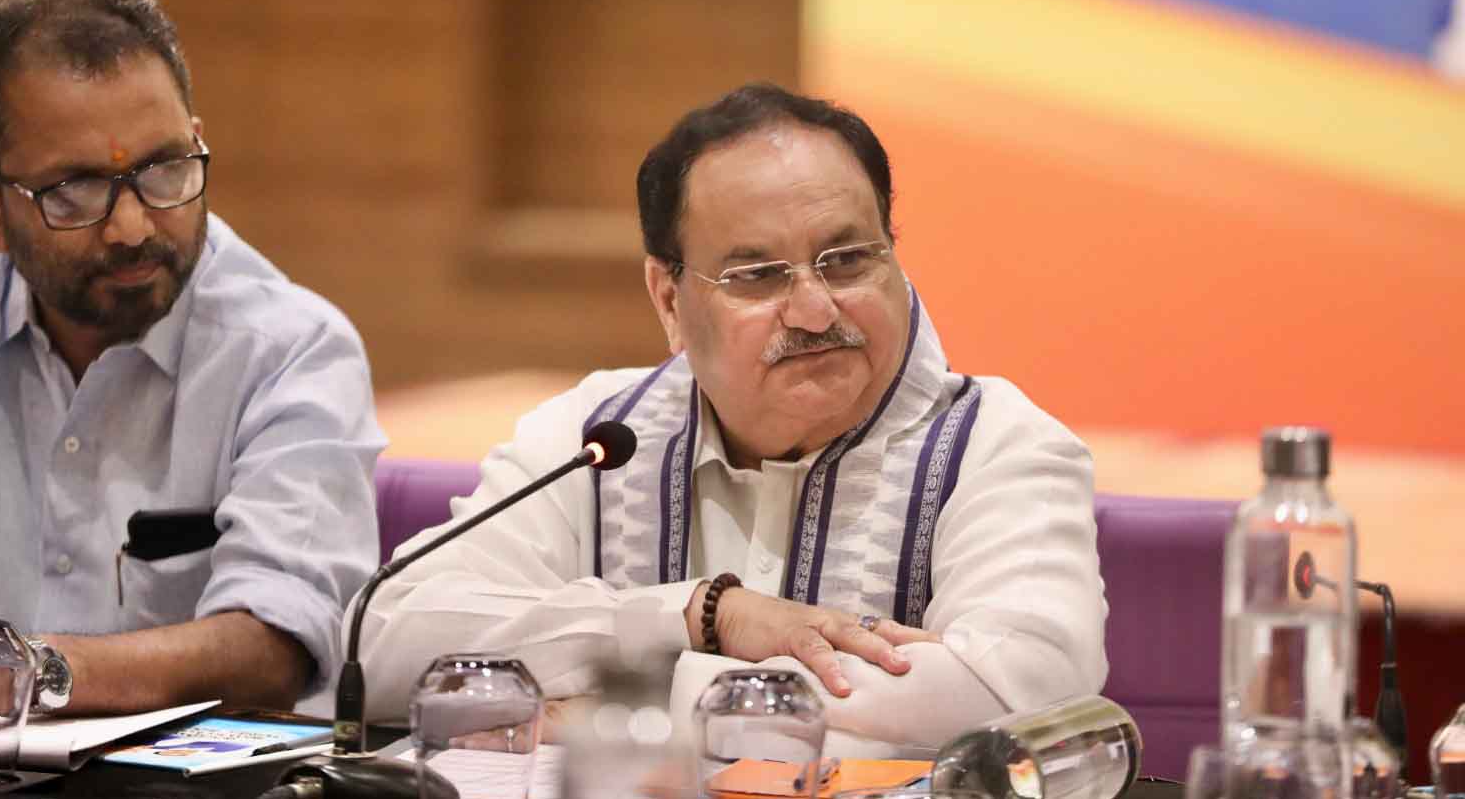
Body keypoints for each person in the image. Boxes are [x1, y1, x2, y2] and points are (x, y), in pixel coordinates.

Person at [352, 83, 1106, 750]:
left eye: (848, 259)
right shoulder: (597, 436)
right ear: (670, 300)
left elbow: (1020, 697)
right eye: (757, 276)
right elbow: (377, 646)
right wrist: (695, 614)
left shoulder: (997, 445)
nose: (814, 310)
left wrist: (615, 713)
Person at [0, 0, 385, 712]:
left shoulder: (292, 349)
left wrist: (27, 671)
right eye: (76, 188)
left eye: (164, 168)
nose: (135, 226)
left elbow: (276, 642)